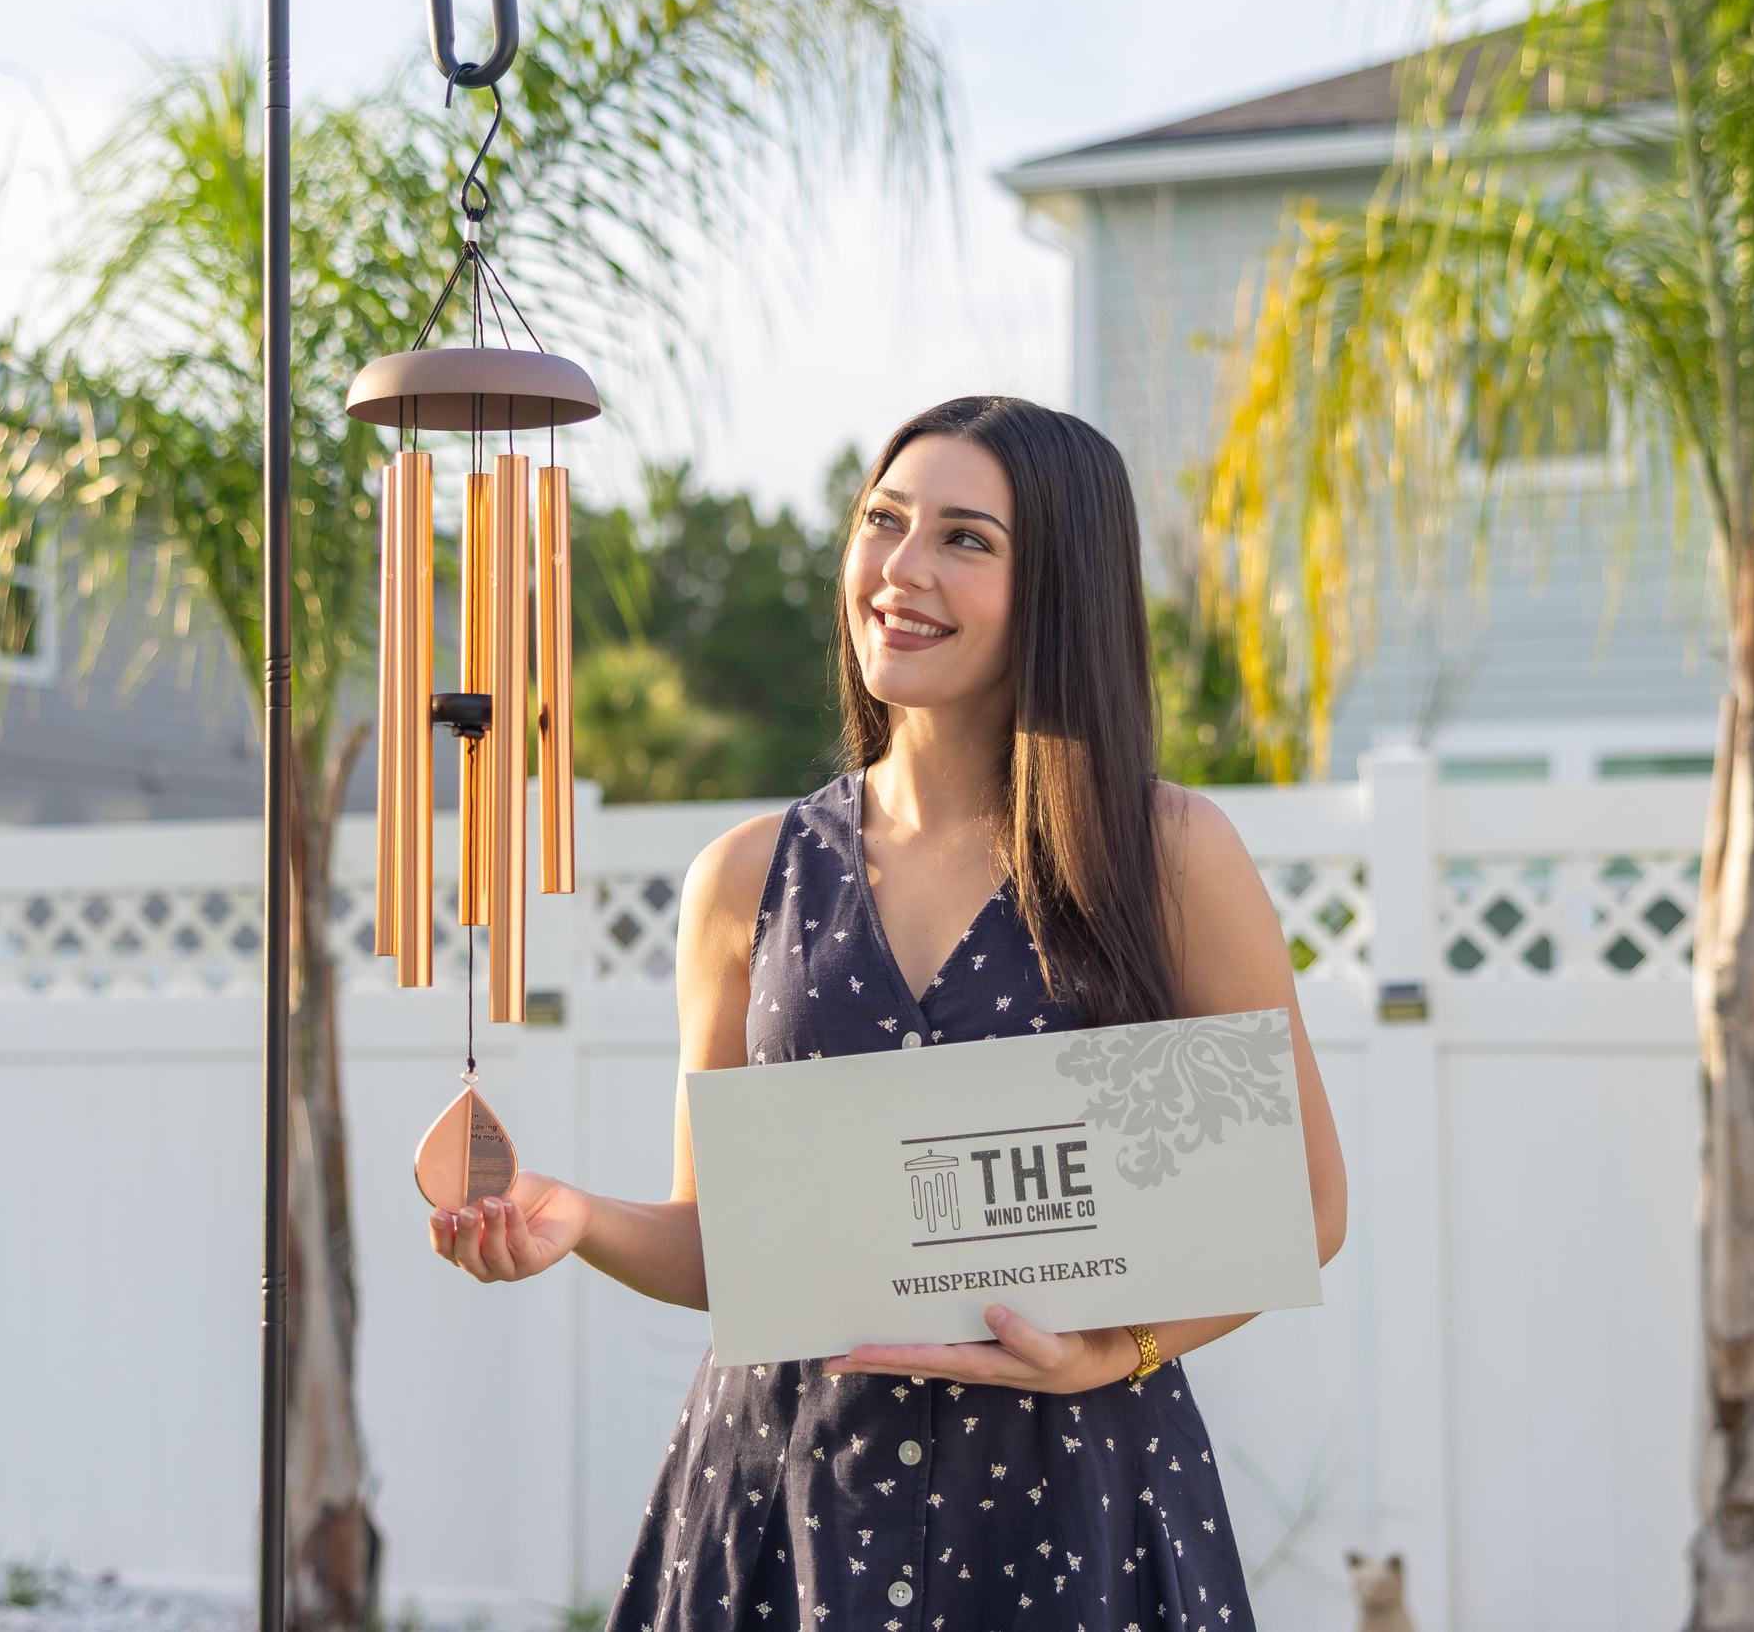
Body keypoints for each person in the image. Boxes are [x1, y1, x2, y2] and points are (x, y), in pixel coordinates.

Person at [431, 396, 1348, 1632]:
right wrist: (579, 1217)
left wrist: (1113, 1348)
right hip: (785, 1500)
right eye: (882, 520)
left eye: (965, 538)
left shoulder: (1165, 852)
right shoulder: (744, 876)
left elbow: (1299, 1196)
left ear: (1056, 587)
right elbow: (733, 1246)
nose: (900, 570)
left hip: (1066, 1504)